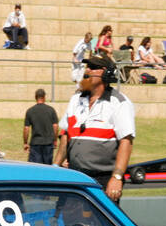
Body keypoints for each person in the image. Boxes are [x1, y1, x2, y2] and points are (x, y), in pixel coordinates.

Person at [55, 55, 135, 203]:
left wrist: (116, 177)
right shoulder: (76, 100)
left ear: (105, 72)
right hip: (74, 176)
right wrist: (55, 167)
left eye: (92, 67)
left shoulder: (119, 103)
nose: (87, 70)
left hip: (102, 178)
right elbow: (66, 136)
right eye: (87, 66)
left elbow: (126, 141)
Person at [23, 89, 59, 164]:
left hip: (35, 144)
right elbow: (55, 126)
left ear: (35, 97)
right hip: (48, 143)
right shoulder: (51, 110)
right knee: (47, 167)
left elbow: (26, 128)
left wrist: (25, 142)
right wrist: (55, 140)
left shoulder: (30, 111)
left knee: (35, 167)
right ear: (44, 97)